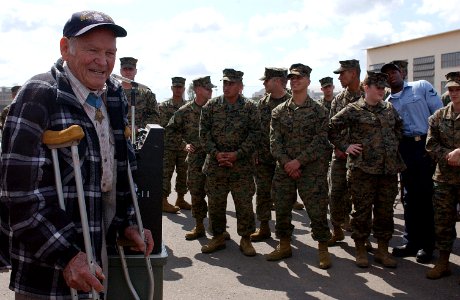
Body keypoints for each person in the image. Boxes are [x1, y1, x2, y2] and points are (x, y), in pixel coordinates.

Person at [0, 11, 154, 299]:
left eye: (110, 52)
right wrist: (68, 255)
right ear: (65, 48)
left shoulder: (114, 96)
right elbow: (18, 196)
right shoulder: (39, 94)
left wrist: (128, 222)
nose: (103, 61)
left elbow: (122, 170)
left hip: (97, 251)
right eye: (92, 50)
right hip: (47, 265)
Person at [329, 71, 406, 268]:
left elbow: (399, 128)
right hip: (362, 171)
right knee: (361, 212)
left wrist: (390, 147)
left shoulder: (389, 108)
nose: (382, 91)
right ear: (366, 88)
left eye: (383, 88)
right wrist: (346, 146)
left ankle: (382, 250)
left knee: (385, 212)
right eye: (378, 88)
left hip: (388, 171)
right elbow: (331, 128)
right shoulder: (353, 110)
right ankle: (360, 248)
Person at [266, 63, 332, 269]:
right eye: (292, 78)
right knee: (283, 208)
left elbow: (321, 141)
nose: (295, 81)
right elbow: (274, 141)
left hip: (311, 170)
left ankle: (323, 248)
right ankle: (284, 244)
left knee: (317, 210)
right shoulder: (278, 111)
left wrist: (299, 162)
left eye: (299, 78)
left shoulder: (319, 110)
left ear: (308, 81)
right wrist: (287, 163)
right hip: (285, 169)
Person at [381, 61, 442, 263]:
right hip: (405, 148)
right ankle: (411, 242)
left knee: (425, 198)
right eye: (387, 74)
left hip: (425, 145)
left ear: (402, 73)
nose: (391, 75)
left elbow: (439, 115)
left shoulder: (421, 86)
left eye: (394, 71)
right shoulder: (387, 102)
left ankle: (428, 245)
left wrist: (434, 146)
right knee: (409, 198)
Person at [199, 68, 260, 256]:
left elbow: (255, 134)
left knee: (244, 204)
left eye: (231, 83)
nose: (226, 87)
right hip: (216, 165)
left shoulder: (250, 108)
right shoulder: (211, 106)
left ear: (240, 86)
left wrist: (238, 154)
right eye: (224, 83)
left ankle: (246, 238)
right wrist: (216, 154)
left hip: (240, 166)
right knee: (216, 203)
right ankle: (218, 236)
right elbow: (204, 134)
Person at [165, 76, 215, 240]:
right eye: (208, 89)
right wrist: (183, 145)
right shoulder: (185, 111)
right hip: (195, 159)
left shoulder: (216, 109)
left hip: (214, 158)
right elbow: (170, 130)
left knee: (216, 194)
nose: (211, 91)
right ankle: (199, 226)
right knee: (196, 193)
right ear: (198, 90)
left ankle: (217, 229)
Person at [251, 67, 293, 243]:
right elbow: (256, 130)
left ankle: (284, 232)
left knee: (284, 196)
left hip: (285, 160)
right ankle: (264, 227)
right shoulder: (262, 103)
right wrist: (255, 152)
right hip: (264, 158)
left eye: (266, 80)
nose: (263, 83)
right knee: (262, 193)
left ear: (276, 81)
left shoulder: (292, 102)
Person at [425, 72, 460, 280]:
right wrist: (450, 155)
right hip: (444, 179)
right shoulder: (438, 116)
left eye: (458, 89)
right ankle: (443, 262)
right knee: (443, 223)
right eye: (451, 89)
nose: (454, 93)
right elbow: (430, 145)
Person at [328, 59, 365, 246]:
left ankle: (362, 236)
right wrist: (340, 147)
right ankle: (336, 229)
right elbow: (331, 128)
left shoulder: (369, 95)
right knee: (335, 193)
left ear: (353, 73)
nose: (340, 77)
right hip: (340, 156)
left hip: (363, 158)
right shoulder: (338, 99)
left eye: (342, 73)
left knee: (361, 198)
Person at [159, 77, 190, 213]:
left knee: (183, 174)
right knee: (166, 174)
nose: (178, 89)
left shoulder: (188, 106)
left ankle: (180, 199)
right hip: (169, 146)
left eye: (180, 87)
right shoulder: (164, 106)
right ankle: (163, 201)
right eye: (175, 87)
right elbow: (165, 126)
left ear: (183, 89)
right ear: (172, 88)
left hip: (184, 147)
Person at [119, 56, 160, 129]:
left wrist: (138, 127)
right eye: (125, 69)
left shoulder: (146, 93)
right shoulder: (113, 91)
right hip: (117, 135)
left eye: (130, 69)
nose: (128, 72)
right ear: (120, 71)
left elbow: (155, 116)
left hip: (139, 136)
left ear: (135, 71)